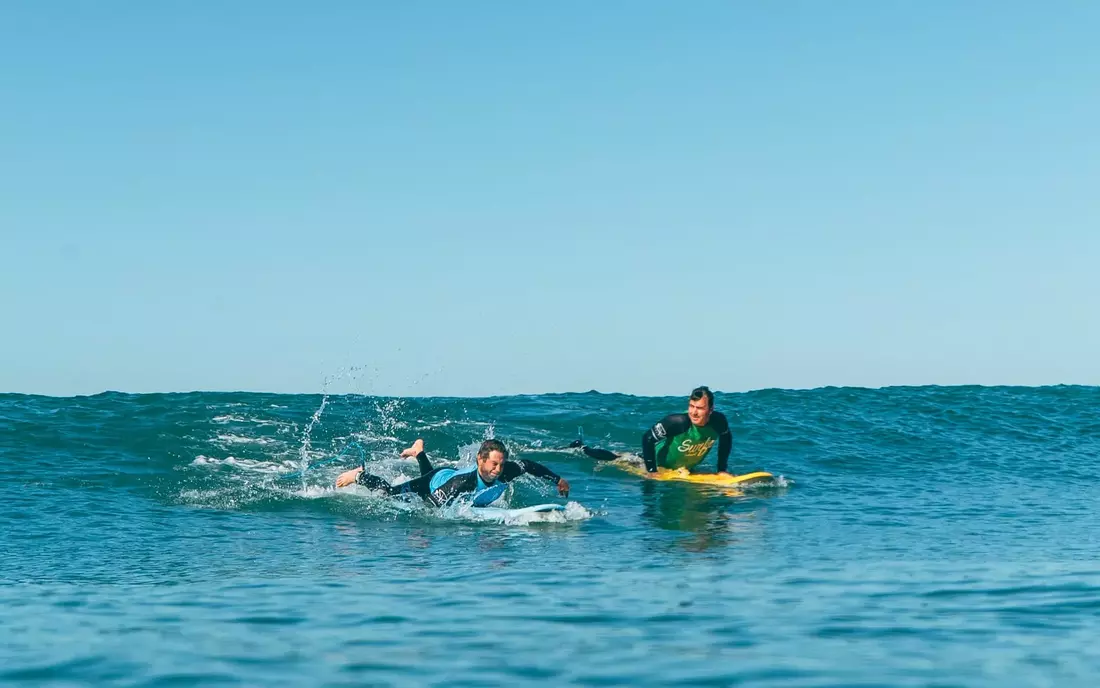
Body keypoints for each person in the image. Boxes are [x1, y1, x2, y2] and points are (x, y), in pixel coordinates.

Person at [335, 438, 570, 507]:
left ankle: (419, 452)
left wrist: (558, 480)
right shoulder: (462, 483)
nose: (497, 470)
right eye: (493, 465)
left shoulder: (506, 470)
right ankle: (358, 475)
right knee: (389, 493)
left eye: (501, 464)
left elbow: (530, 466)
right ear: (480, 459)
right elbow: (428, 505)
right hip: (436, 482)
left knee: (430, 474)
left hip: (445, 474)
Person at [570, 386, 733, 475]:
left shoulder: (718, 422)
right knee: (616, 459)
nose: (694, 412)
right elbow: (648, 438)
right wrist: (652, 471)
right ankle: (582, 448)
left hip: (683, 469)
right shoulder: (678, 422)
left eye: (700, 408)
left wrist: (721, 470)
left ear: (710, 410)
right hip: (652, 462)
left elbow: (726, 441)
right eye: (691, 406)